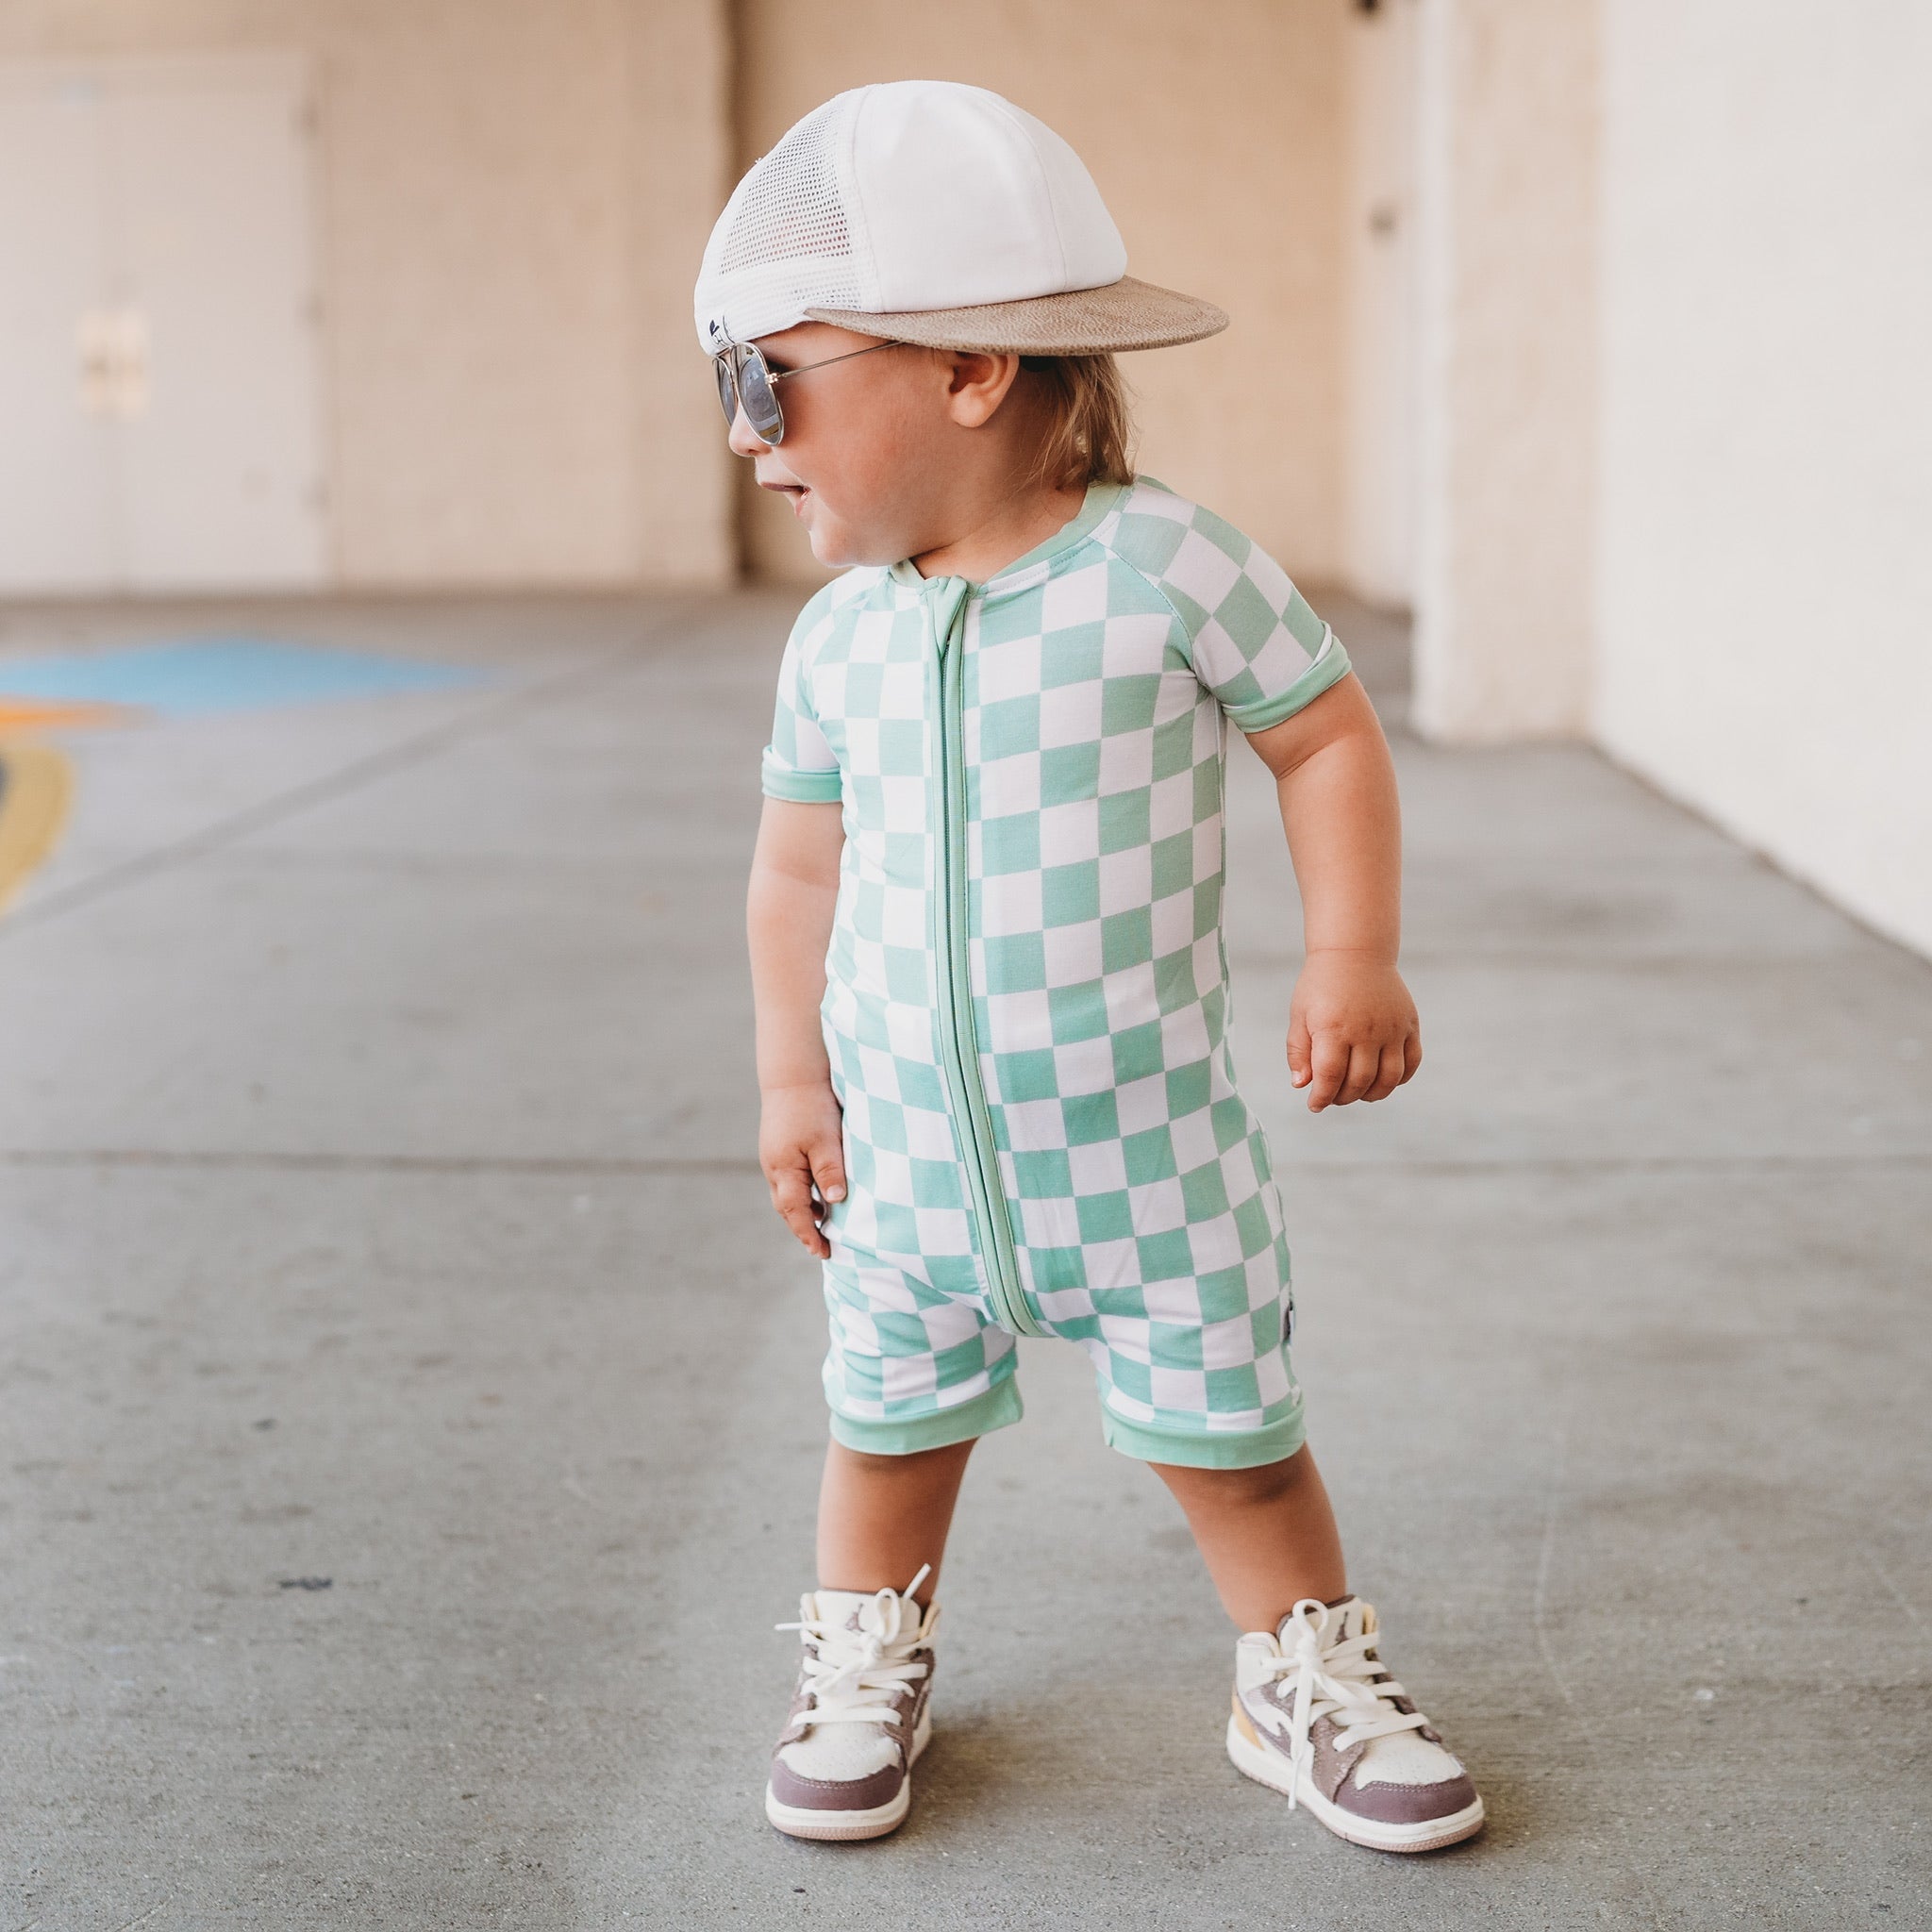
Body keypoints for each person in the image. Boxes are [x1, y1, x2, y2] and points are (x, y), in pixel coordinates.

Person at [699, 79, 1483, 1855]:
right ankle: (867, 1658)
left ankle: (1298, 1677)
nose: (746, 435)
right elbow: (794, 867)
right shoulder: (837, 640)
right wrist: (789, 1079)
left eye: (772, 380)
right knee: (884, 1433)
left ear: (970, 370)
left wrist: (1352, 953)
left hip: (1150, 1155)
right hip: (906, 1161)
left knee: (1240, 1446)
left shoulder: (1167, 567)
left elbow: (1325, 735)